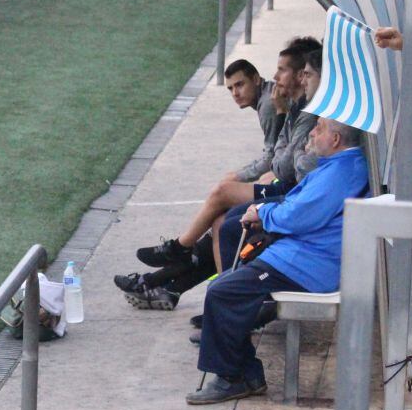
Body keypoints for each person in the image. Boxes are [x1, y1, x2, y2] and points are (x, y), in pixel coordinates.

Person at [187, 117, 369, 404]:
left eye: (319, 128)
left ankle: (237, 377)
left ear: (335, 140)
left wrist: (263, 215)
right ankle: (242, 371)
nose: (311, 132)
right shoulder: (339, 167)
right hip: (301, 256)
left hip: (307, 265)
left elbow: (301, 215)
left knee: (223, 291)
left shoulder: (341, 173)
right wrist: (265, 211)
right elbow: (301, 206)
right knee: (225, 285)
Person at [134, 38, 319, 271]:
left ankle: (180, 248)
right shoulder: (287, 105)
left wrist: (242, 176)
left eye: (239, 85)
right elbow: (279, 152)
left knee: (223, 192)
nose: (235, 93)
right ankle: (197, 280)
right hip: (285, 182)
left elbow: (276, 161)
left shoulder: (273, 106)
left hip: (289, 189)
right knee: (221, 221)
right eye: (231, 88)